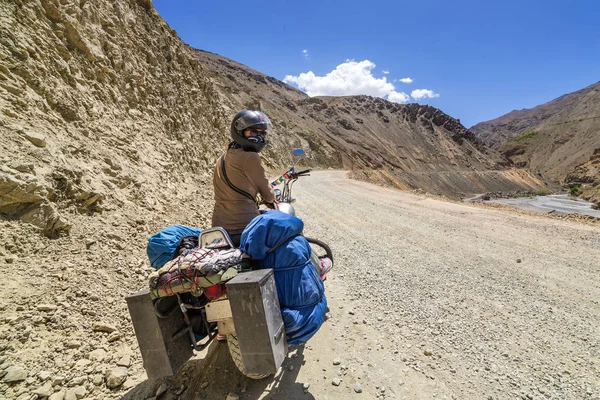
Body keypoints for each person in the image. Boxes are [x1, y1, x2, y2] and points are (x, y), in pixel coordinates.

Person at [212, 110, 278, 247]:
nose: (259, 137)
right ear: (240, 131)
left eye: (262, 133)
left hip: (219, 227)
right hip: (244, 226)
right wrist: (270, 199)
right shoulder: (250, 157)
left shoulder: (223, 157)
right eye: (253, 132)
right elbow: (268, 195)